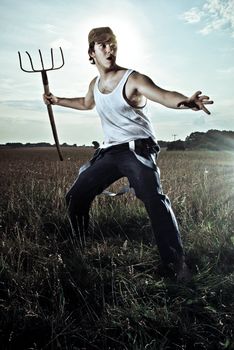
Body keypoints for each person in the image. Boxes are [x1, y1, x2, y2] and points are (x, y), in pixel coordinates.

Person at [43, 27, 213, 281]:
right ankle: (77, 248)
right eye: (103, 45)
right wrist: (57, 100)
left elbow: (164, 95)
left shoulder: (132, 78)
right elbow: (86, 103)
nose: (109, 48)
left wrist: (186, 102)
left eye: (112, 44)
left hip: (138, 147)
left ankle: (176, 265)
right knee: (76, 195)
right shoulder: (95, 84)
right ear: (92, 52)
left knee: (153, 199)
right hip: (111, 151)